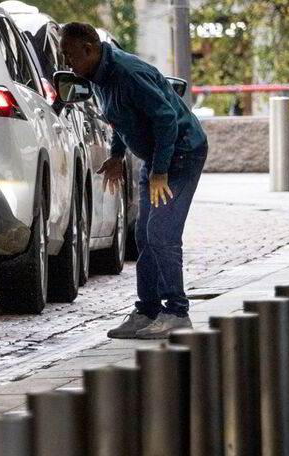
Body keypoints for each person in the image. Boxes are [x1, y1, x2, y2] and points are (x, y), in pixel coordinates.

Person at [59, 22, 209, 339]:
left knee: (161, 233)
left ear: (89, 48)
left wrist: (160, 172)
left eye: (70, 55)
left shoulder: (128, 73)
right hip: (156, 157)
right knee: (142, 234)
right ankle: (148, 309)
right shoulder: (98, 76)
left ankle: (176, 312)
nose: (67, 64)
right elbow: (122, 119)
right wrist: (115, 155)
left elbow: (167, 119)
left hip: (180, 154)